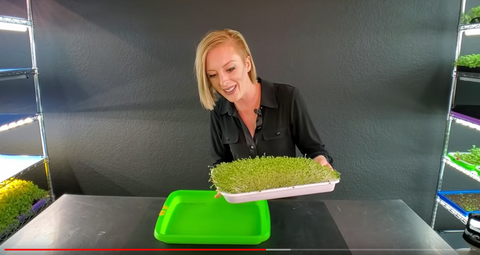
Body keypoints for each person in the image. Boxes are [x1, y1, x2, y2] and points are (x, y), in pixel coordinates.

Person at [194, 28, 333, 198]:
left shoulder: (287, 98)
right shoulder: (218, 111)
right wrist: (222, 185)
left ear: (247, 64)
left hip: (286, 209)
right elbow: (220, 163)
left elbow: (314, 150)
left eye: (230, 69)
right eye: (212, 75)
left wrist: (319, 160)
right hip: (244, 210)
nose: (223, 82)